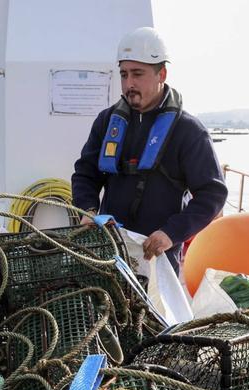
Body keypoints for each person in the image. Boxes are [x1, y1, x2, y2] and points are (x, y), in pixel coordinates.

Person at [72, 27, 227, 274]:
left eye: (137, 74)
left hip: (160, 256)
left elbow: (212, 194)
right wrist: (87, 210)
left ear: (161, 74)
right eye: (124, 74)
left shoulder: (188, 130)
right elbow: (85, 174)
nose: (129, 83)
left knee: (154, 313)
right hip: (109, 249)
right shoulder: (106, 121)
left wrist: (171, 233)